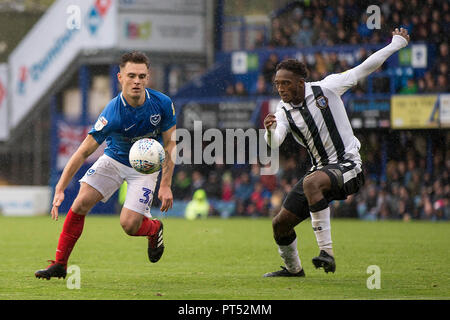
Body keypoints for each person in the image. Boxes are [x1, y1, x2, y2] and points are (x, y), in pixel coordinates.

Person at [263, 28, 410, 277]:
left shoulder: (327, 88)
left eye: (285, 83)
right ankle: (294, 270)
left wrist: (397, 43)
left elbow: (364, 67)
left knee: (311, 183)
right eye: (277, 84)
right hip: (319, 172)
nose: (280, 89)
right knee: (280, 224)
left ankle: (327, 253)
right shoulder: (283, 110)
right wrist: (269, 131)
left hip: (348, 166)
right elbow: (275, 142)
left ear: (301, 82)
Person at [35, 51, 177, 280]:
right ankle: (60, 264)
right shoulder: (112, 113)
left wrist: (166, 185)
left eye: (142, 76)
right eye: (131, 75)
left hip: (145, 168)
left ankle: (154, 228)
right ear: (120, 77)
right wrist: (60, 188)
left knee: (129, 225)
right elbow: (82, 151)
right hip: (114, 160)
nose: (137, 81)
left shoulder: (161, 104)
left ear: (148, 78)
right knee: (80, 203)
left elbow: (171, 144)